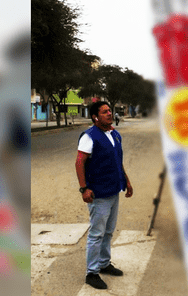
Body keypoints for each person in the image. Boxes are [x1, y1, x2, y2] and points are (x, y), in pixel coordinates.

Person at [75, 101, 133, 290]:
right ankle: (91, 273)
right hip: (98, 193)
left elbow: (118, 161)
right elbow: (79, 162)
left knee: (108, 231)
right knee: (97, 233)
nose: (109, 113)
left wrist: (127, 180)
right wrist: (84, 188)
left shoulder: (114, 134)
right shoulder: (89, 136)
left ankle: (104, 263)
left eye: (110, 111)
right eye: (105, 112)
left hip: (114, 190)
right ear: (95, 117)